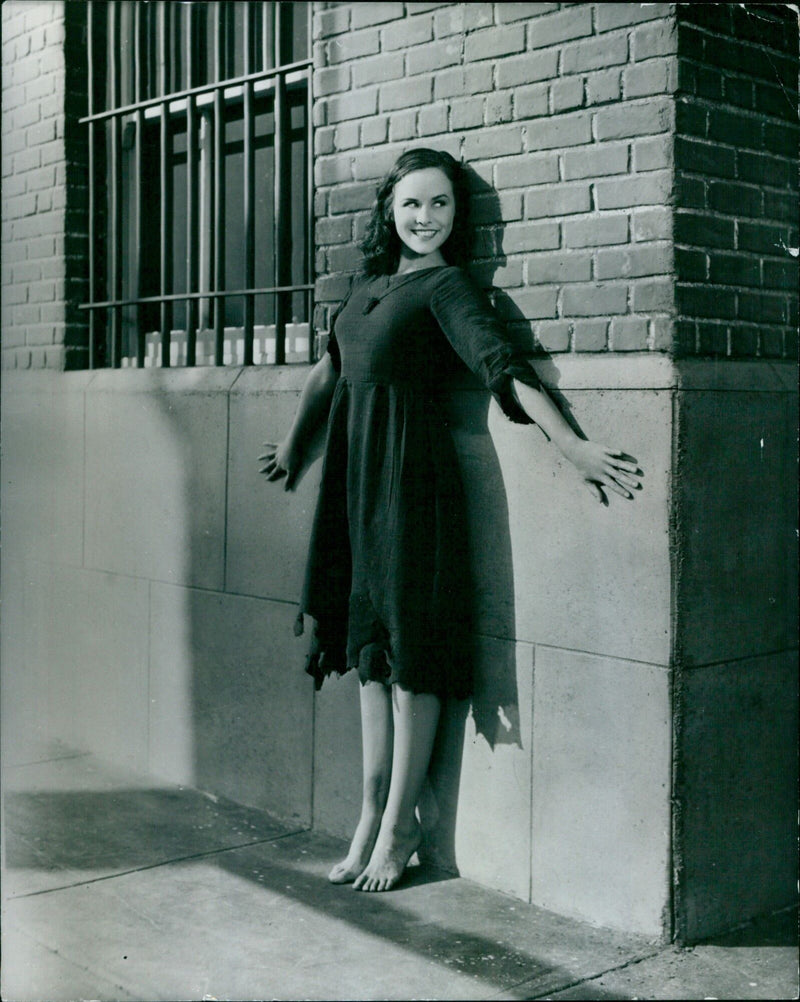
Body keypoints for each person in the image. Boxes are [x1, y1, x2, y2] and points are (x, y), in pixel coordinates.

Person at [260, 148, 642, 893]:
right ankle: (369, 812)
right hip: (353, 486)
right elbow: (328, 371)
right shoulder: (365, 287)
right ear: (388, 212)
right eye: (411, 204)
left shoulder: (448, 288)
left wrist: (573, 446)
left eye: (440, 205)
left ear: (456, 216)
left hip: (412, 485)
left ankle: (403, 823)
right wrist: (296, 447)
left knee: (411, 660)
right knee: (367, 655)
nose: (425, 218)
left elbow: (505, 369)